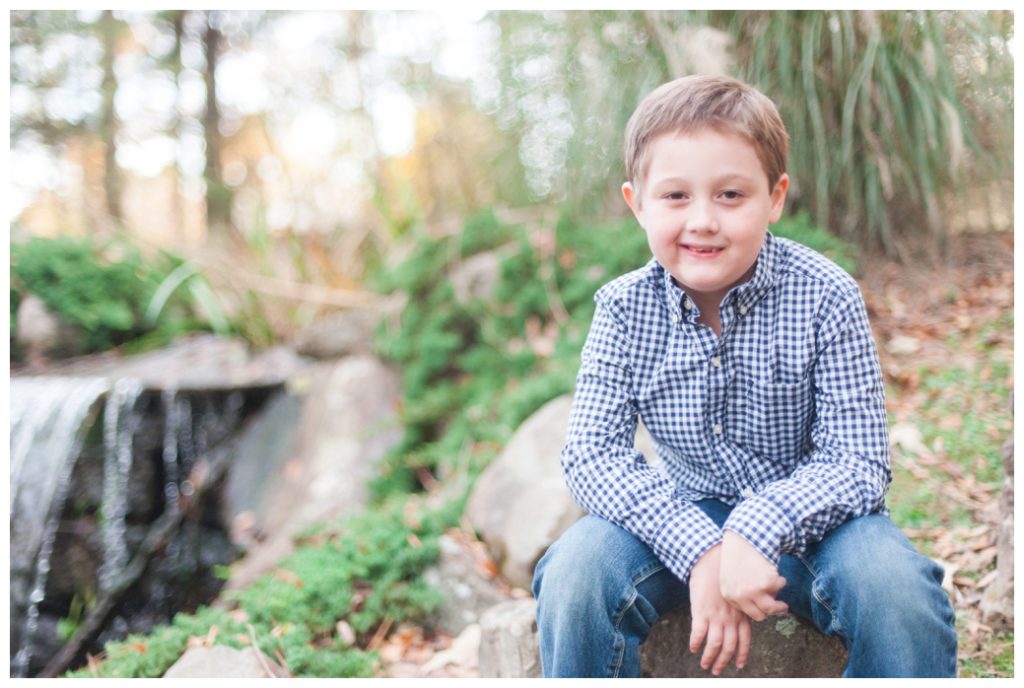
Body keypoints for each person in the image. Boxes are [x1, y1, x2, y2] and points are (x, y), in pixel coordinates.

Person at [532, 75, 957, 678]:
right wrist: (703, 549)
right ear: (637, 204)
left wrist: (756, 529)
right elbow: (592, 457)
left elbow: (858, 461)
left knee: (896, 589)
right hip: (677, 517)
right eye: (675, 197)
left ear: (775, 196)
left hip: (819, 529)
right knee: (576, 570)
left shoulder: (826, 295)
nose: (703, 220)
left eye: (730, 195)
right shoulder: (623, 310)